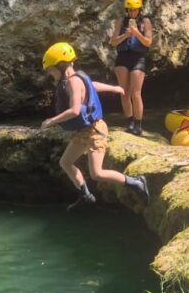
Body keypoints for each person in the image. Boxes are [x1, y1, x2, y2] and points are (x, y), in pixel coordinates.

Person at [39, 42, 149, 210]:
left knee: (97, 173)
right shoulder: (75, 79)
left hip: (95, 131)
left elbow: (75, 110)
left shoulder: (72, 83)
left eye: (51, 69)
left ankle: (136, 183)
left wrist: (51, 121)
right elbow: (92, 85)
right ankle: (85, 194)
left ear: (60, 66)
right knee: (66, 162)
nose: (50, 74)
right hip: (84, 131)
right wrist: (114, 88)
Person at [108, 0, 153, 136]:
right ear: (127, 10)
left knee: (136, 93)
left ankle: (138, 124)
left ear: (139, 9)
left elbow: (148, 42)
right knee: (124, 92)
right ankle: (129, 122)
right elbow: (113, 43)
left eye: (135, 10)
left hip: (138, 58)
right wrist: (125, 35)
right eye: (130, 10)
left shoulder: (145, 22)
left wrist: (136, 33)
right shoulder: (121, 21)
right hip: (122, 58)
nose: (133, 12)